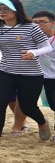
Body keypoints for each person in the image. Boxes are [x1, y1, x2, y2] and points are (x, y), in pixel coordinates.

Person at [0, 0, 53, 144]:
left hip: (31, 74)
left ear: (16, 10)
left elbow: (47, 47)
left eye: (5, 9)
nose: (1, 12)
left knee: (28, 106)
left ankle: (42, 122)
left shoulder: (31, 27)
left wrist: (33, 53)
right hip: (6, 72)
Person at [31, 10, 55, 139]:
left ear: (52, 23)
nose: (38, 25)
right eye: (35, 23)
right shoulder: (32, 40)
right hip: (45, 77)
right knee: (52, 105)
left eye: (42, 22)